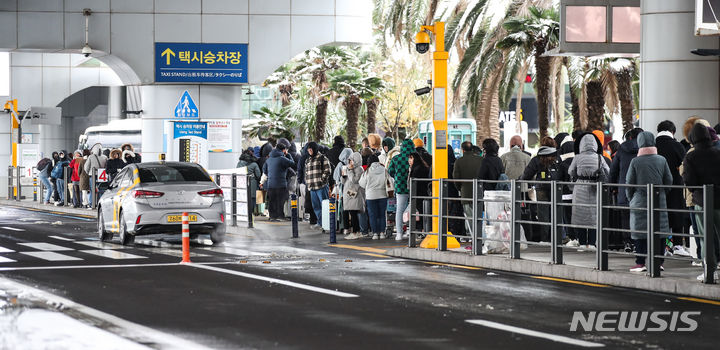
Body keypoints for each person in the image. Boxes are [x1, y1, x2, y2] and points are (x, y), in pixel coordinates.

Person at [626, 131, 672, 272]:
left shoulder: (635, 161)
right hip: (659, 200)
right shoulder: (661, 160)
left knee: (640, 232)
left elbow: (629, 183)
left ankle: (640, 262)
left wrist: (631, 199)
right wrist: (662, 193)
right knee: (659, 230)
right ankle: (658, 262)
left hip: (639, 200)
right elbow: (669, 181)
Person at [683, 123, 720, 281]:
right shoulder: (718, 153)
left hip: (702, 201)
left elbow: (689, 181)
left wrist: (696, 191)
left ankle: (709, 271)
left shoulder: (691, 156)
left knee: (706, 237)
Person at [655, 120, 691, 257]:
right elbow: (684, 165)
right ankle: (676, 245)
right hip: (675, 185)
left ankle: (662, 246)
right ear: (673, 132)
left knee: (659, 215)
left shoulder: (652, 145)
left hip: (656, 187)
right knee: (676, 213)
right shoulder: (676, 145)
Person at [569, 133, 610, 249]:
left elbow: (570, 171)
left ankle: (582, 243)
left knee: (580, 217)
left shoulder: (577, 157)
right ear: (595, 144)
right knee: (593, 216)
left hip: (580, 187)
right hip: (594, 188)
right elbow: (607, 170)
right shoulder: (599, 157)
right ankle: (592, 243)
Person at [609, 127, 643, 252]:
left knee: (625, 217)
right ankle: (639, 243)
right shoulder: (644, 149)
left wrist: (613, 187)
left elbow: (613, 171)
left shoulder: (621, 150)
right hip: (642, 189)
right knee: (641, 215)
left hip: (624, 188)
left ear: (629, 137)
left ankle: (628, 242)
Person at [521, 137, 560, 242]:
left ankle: (545, 239)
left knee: (543, 215)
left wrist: (526, 181)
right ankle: (556, 238)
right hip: (556, 188)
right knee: (556, 213)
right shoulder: (557, 157)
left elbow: (526, 175)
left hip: (541, 188)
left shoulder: (537, 159)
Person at [453, 141, 483, 235]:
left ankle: (471, 236)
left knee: (469, 217)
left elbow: (456, 178)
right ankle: (480, 235)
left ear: (462, 150)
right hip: (480, 192)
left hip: (466, 193)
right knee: (479, 216)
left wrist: (460, 188)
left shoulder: (459, 161)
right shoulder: (480, 159)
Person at [388, 139, 415, 240]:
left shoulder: (396, 159)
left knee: (399, 210)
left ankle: (399, 233)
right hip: (413, 187)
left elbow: (390, 172)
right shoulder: (414, 158)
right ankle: (410, 231)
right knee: (413, 210)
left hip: (400, 187)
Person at [262, 143, 296, 221]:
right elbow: (293, 163)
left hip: (271, 184)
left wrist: (271, 175)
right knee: (281, 201)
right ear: (283, 150)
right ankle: (280, 216)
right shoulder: (282, 159)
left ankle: (272, 216)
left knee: (272, 201)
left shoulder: (269, 159)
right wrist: (288, 155)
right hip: (281, 184)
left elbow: (265, 170)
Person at [360, 155, 389, 239]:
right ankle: (382, 233)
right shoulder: (384, 169)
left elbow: (362, 184)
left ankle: (375, 233)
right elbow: (389, 181)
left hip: (371, 196)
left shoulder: (367, 171)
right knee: (382, 215)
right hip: (383, 195)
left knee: (373, 215)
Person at [305, 141, 332, 230]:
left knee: (324, 206)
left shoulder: (322, 158)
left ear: (315, 149)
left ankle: (327, 224)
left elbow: (327, 171)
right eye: (308, 149)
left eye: (311, 149)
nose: (309, 151)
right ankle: (320, 223)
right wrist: (308, 182)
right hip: (312, 188)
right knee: (316, 207)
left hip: (321, 187)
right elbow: (306, 172)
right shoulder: (308, 160)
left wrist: (322, 180)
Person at [340, 152, 366, 240]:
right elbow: (345, 181)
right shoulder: (350, 168)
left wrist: (350, 171)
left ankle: (355, 232)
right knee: (352, 212)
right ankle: (356, 231)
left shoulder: (359, 169)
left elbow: (354, 180)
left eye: (351, 160)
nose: (350, 162)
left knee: (353, 213)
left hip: (355, 193)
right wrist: (343, 176)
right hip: (349, 193)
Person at [409, 151, 431, 233]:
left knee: (419, 211)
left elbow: (413, 182)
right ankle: (424, 228)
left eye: (411, 158)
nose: (409, 160)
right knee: (424, 211)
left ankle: (420, 229)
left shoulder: (416, 169)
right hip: (424, 192)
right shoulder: (424, 166)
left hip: (417, 193)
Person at [237, 148, 262, 216]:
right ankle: (250, 214)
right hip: (252, 184)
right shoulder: (254, 164)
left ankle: (243, 213)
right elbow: (258, 175)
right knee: (252, 199)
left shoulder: (239, 163)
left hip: (241, 184)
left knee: (243, 199)